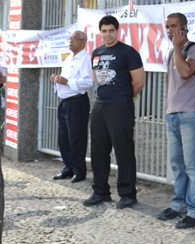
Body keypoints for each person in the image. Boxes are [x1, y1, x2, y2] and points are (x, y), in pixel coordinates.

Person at [85, 15, 145, 209]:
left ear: (117, 31)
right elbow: (97, 78)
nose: (108, 34)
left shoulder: (128, 52)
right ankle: (100, 192)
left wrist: (124, 97)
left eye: (111, 30)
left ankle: (128, 194)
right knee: (98, 151)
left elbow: (139, 82)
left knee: (123, 150)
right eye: (104, 31)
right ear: (100, 32)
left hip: (120, 105)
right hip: (100, 104)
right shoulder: (97, 52)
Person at [156, 13, 195, 229]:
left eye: (173, 26)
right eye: (167, 27)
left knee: (193, 165)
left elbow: (187, 72)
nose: (169, 30)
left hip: (190, 114)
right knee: (177, 165)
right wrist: (169, 110)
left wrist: (178, 46)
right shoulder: (172, 53)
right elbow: (171, 83)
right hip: (173, 114)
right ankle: (179, 205)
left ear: (184, 27)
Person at [50, 30, 94, 183]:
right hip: (64, 102)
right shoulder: (68, 58)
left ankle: (79, 171)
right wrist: (57, 79)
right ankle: (68, 168)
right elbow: (64, 79)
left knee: (77, 138)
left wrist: (66, 81)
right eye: (70, 38)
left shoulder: (85, 59)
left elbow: (88, 82)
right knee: (64, 139)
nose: (71, 41)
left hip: (77, 102)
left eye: (74, 39)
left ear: (83, 42)